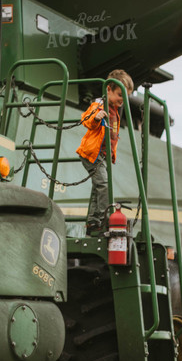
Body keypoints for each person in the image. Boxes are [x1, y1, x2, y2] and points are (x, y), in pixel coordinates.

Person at [76, 69, 134, 236]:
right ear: (108, 89)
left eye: (125, 97)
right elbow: (86, 120)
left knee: (98, 186)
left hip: (102, 155)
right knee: (103, 184)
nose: (122, 100)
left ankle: (93, 221)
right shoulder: (99, 105)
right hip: (92, 153)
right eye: (119, 95)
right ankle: (103, 218)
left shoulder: (114, 109)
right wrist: (96, 117)